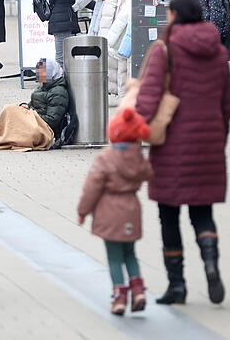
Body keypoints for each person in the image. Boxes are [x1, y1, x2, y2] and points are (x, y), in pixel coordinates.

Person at [135, 0, 230, 306]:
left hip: (173, 144)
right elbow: (225, 105)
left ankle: (177, 286)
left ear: (176, 15)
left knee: (169, 215)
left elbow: (148, 98)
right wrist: (220, 140)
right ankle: (210, 261)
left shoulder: (166, 49)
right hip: (209, 142)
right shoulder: (218, 52)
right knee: (202, 213)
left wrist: (133, 133)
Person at [77, 108, 152, 315]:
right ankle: (139, 291)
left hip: (109, 211)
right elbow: (148, 174)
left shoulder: (105, 158)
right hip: (131, 209)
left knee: (114, 257)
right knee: (130, 253)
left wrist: (83, 211)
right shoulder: (138, 157)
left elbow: (91, 187)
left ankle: (119, 296)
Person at [25, 58, 69, 137]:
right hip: (34, 120)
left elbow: (52, 120)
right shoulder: (43, 86)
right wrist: (25, 107)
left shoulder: (58, 93)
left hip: (43, 128)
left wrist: (32, 115)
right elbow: (34, 103)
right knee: (9, 110)